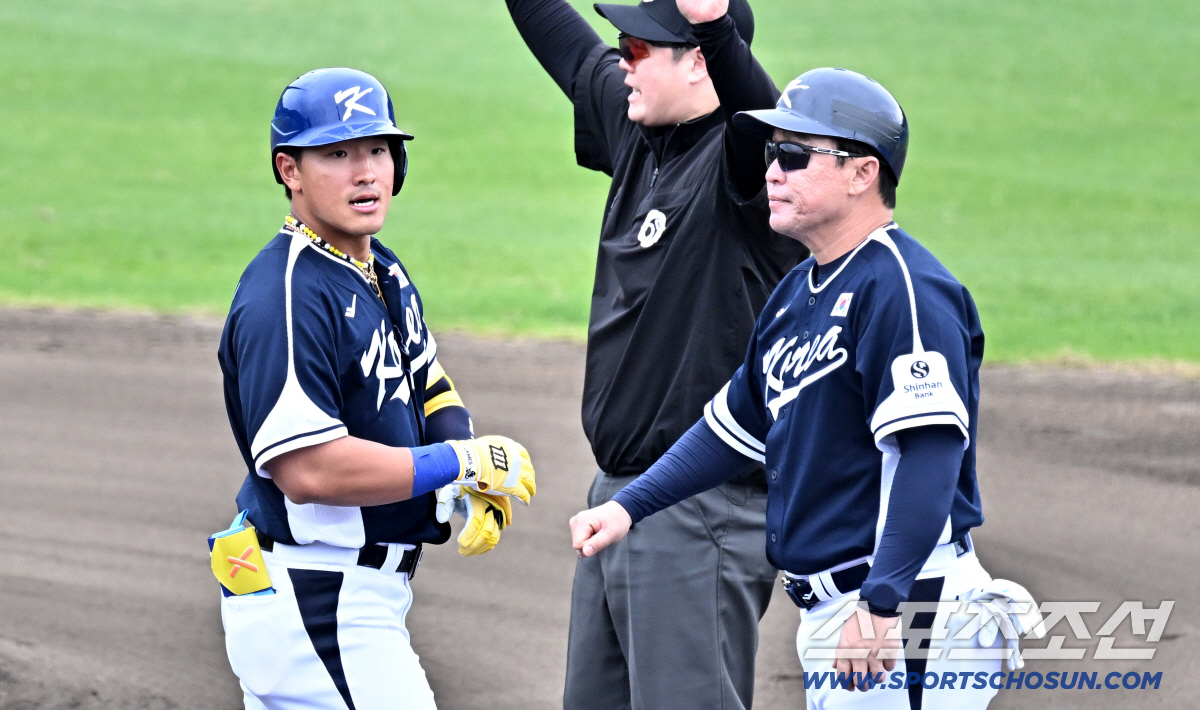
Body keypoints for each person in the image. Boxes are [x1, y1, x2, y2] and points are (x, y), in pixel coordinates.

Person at [570, 67, 1040, 709]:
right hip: (833, 612)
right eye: (772, 152)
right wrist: (631, 506)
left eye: (795, 155)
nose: (772, 171)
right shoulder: (797, 294)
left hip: (905, 605)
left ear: (861, 173)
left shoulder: (905, 290)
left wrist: (881, 602)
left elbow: (929, 455)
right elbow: (730, 428)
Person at [501, 0, 807, 707]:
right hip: (620, 499)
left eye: (637, 49)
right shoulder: (640, 133)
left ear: (699, 61)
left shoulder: (749, 171)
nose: (620, 61)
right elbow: (564, 41)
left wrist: (715, 23)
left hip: (701, 509)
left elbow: (761, 117)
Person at [213, 67, 536, 710]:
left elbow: (427, 381)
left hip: (342, 598)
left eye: (378, 150)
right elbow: (307, 469)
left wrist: (460, 484)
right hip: (316, 599)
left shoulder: (377, 264)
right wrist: (459, 462)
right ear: (290, 170)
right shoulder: (289, 294)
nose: (365, 171)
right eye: (337, 153)